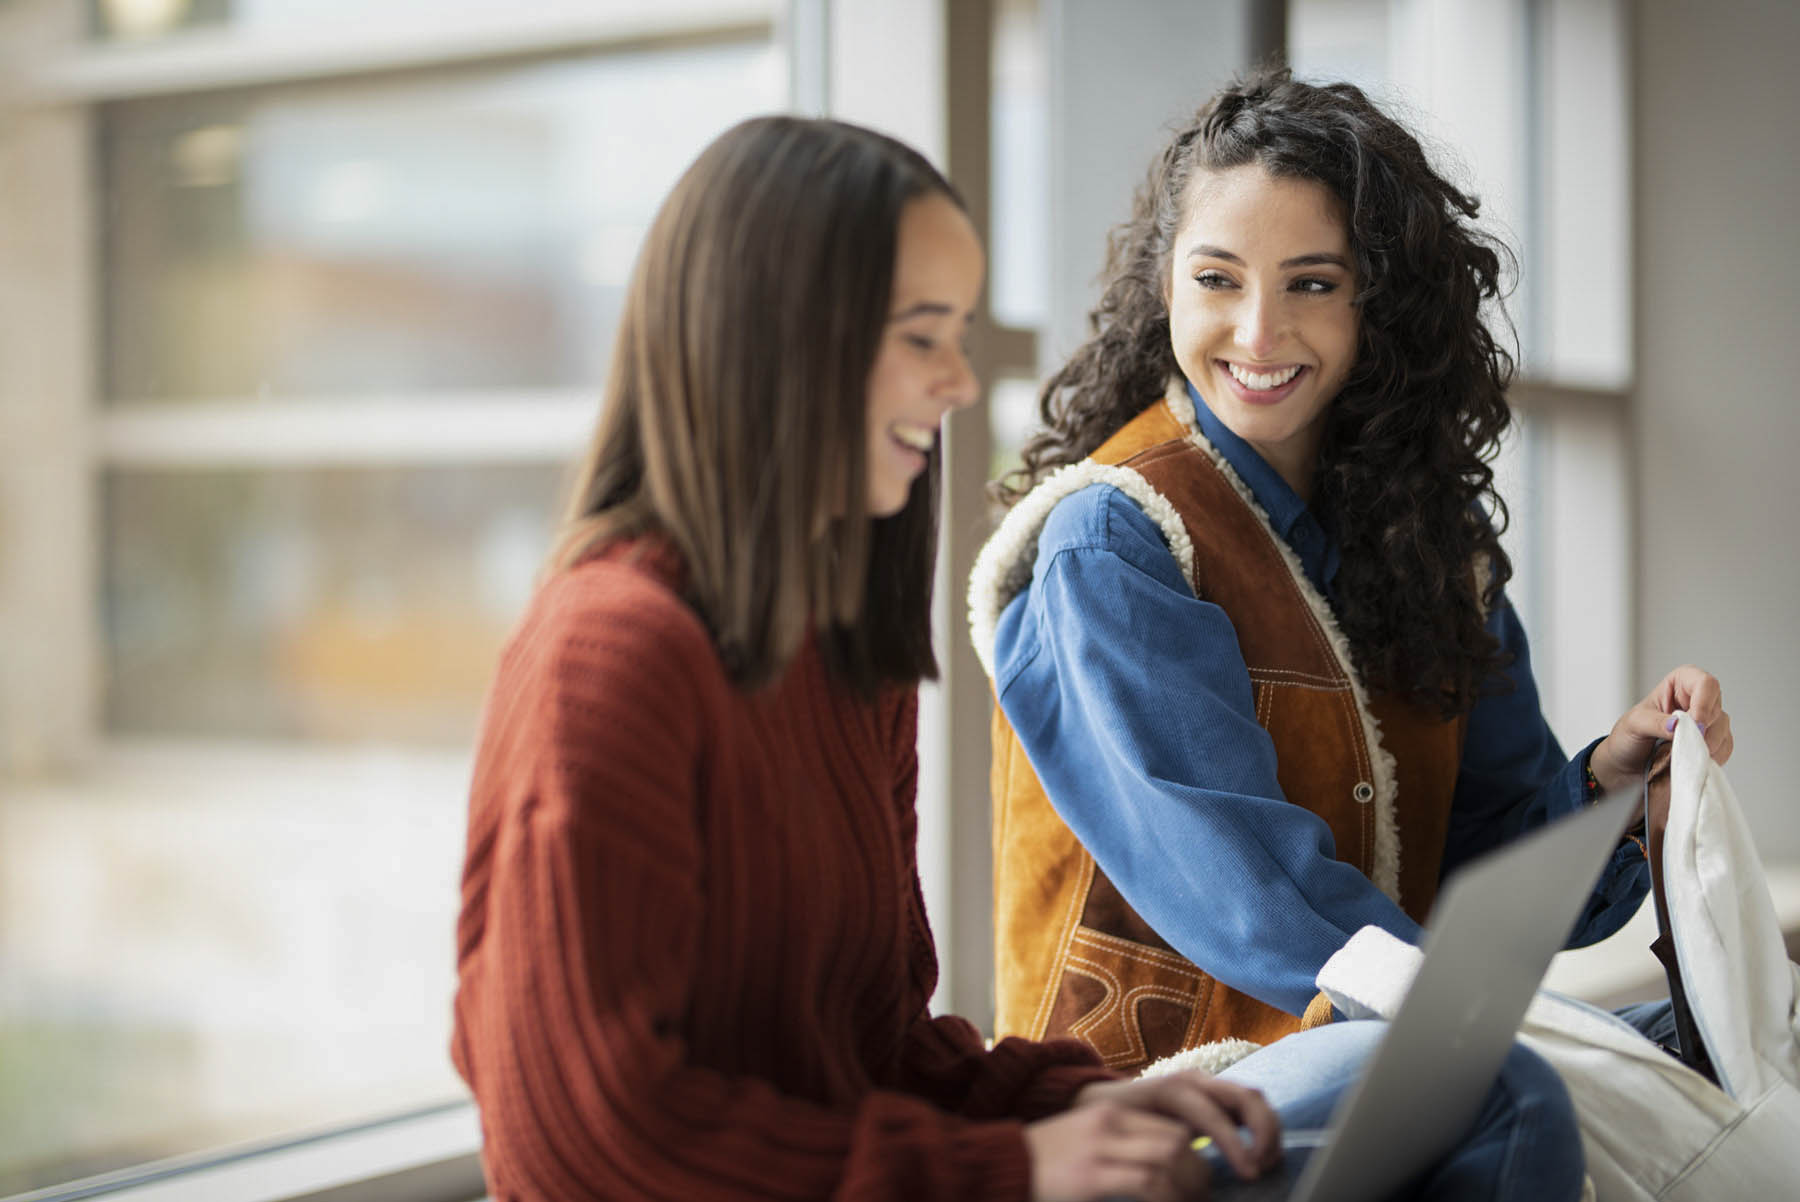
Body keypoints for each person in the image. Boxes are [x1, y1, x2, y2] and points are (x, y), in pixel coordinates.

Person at [450, 112, 1588, 1202]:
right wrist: (1017, 1170)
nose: (956, 384)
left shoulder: (844, 659)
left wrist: (1084, 1107)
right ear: (774, 339)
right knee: (1495, 1093)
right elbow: (581, 1151)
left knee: (1548, 1084)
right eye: (920, 337)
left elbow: (884, 1048)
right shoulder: (608, 653)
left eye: (960, 335)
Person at [970, 69, 1734, 1075]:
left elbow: (1491, 873)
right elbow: (1258, 901)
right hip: (1165, 1101)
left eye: (1312, 283)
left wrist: (1612, 788)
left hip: (1375, 1057)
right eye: (1217, 278)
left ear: (1380, 304)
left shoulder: (1430, 543)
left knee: (1714, 1052)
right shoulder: (1113, 543)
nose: (1257, 331)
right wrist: (1531, 1044)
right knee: (1548, 1094)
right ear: (1164, 287)